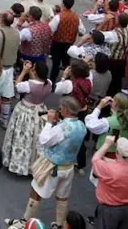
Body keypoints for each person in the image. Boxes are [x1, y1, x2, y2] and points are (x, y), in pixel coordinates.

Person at [23, 96, 87, 227]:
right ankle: (59, 225)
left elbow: (44, 140)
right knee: (62, 198)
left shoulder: (62, 128)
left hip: (52, 166)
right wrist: (57, 124)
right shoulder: (81, 125)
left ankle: (26, 221)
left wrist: (49, 123)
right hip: (68, 167)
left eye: (60, 107)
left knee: (36, 192)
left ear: (65, 109)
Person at [90, 136, 128, 229]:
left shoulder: (111, 171)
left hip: (110, 209)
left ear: (117, 153)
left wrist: (106, 144)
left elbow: (95, 160)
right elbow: (123, 163)